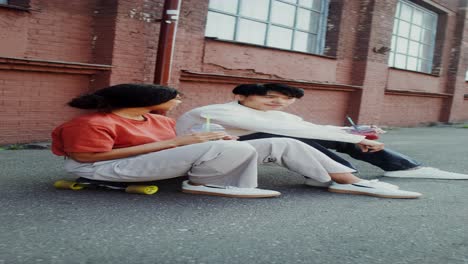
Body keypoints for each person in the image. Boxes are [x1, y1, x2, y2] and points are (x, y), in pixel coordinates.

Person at [51, 83, 421, 199]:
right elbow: (85, 158)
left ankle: (346, 181)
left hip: (138, 164)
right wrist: (188, 142)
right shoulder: (91, 123)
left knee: (279, 142)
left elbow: (296, 129)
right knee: (228, 145)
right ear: (144, 100)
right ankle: (210, 184)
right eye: (173, 98)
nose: (179, 102)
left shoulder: (152, 118)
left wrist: (203, 139)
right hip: (104, 168)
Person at [176, 83, 468, 187]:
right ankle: (340, 176)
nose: (279, 104)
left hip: (255, 144)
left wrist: (355, 132)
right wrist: (356, 139)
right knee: (295, 137)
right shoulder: (217, 110)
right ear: (243, 95)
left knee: (318, 135)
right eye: (271, 98)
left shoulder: (274, 114)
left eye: (286, 100)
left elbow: (309, 126)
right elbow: (293, 131)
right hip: (210, 153)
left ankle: (406, 168)